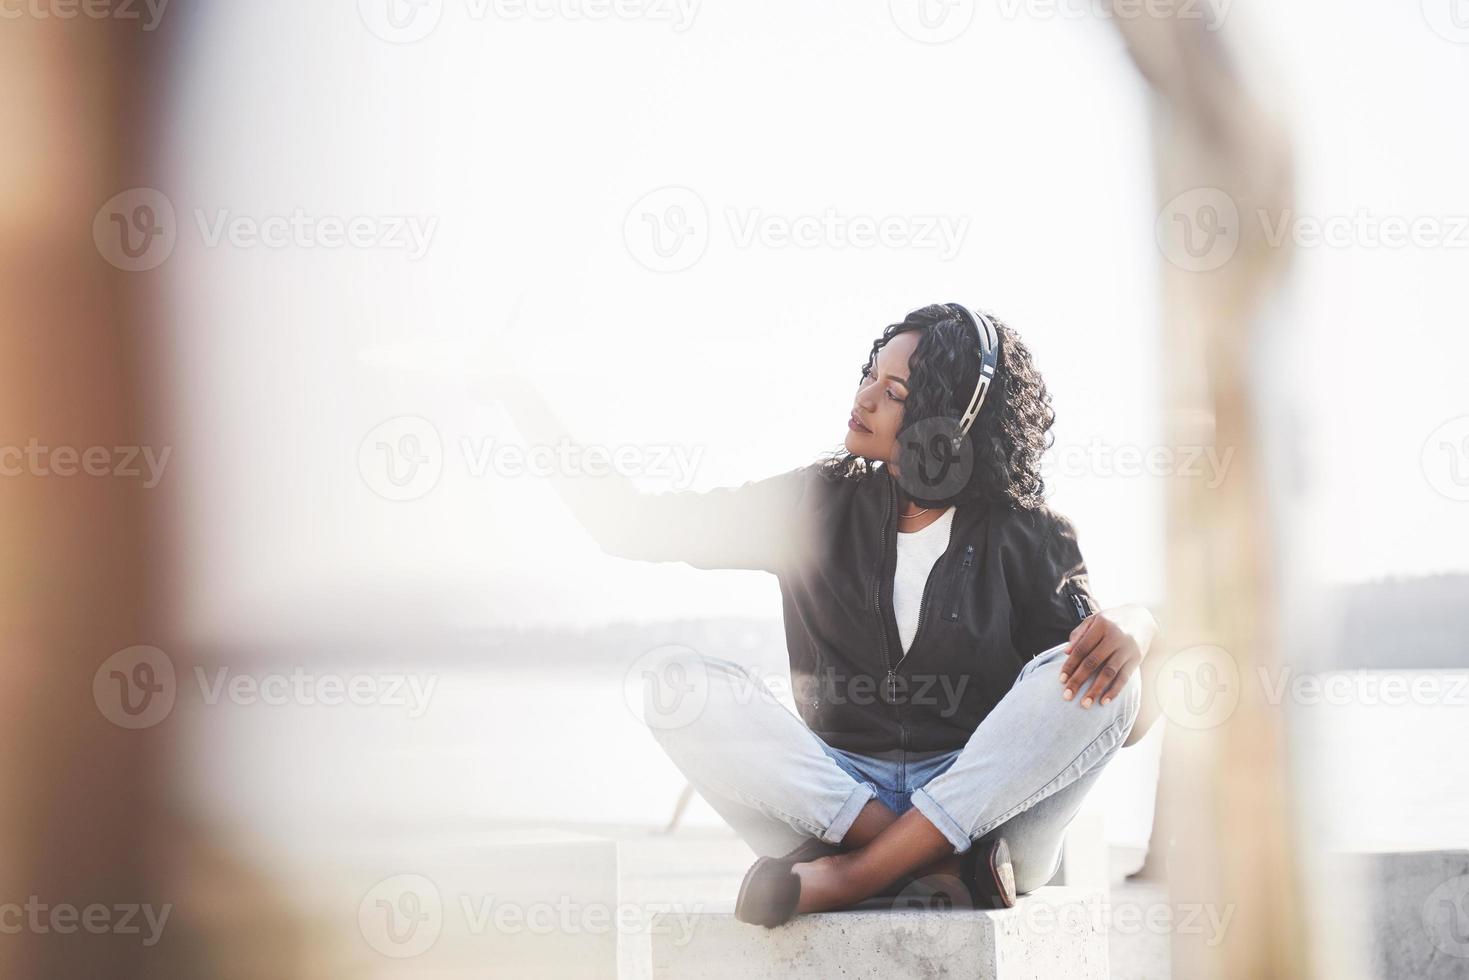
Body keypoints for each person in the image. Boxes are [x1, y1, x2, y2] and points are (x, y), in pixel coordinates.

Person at [500, 302, 1158, 927]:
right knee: (676, 684)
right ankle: (925, 861)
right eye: (870, 376)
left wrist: (1142, 625)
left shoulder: (1027, 533)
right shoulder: (812, 506)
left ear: (953, 420)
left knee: (1099, 677)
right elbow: (630, 526)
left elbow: (1106, 718)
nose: (864, 397)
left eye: (896, 393)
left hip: (990, 818)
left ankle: (856, 875)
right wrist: (518, 399)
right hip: (844, 804)